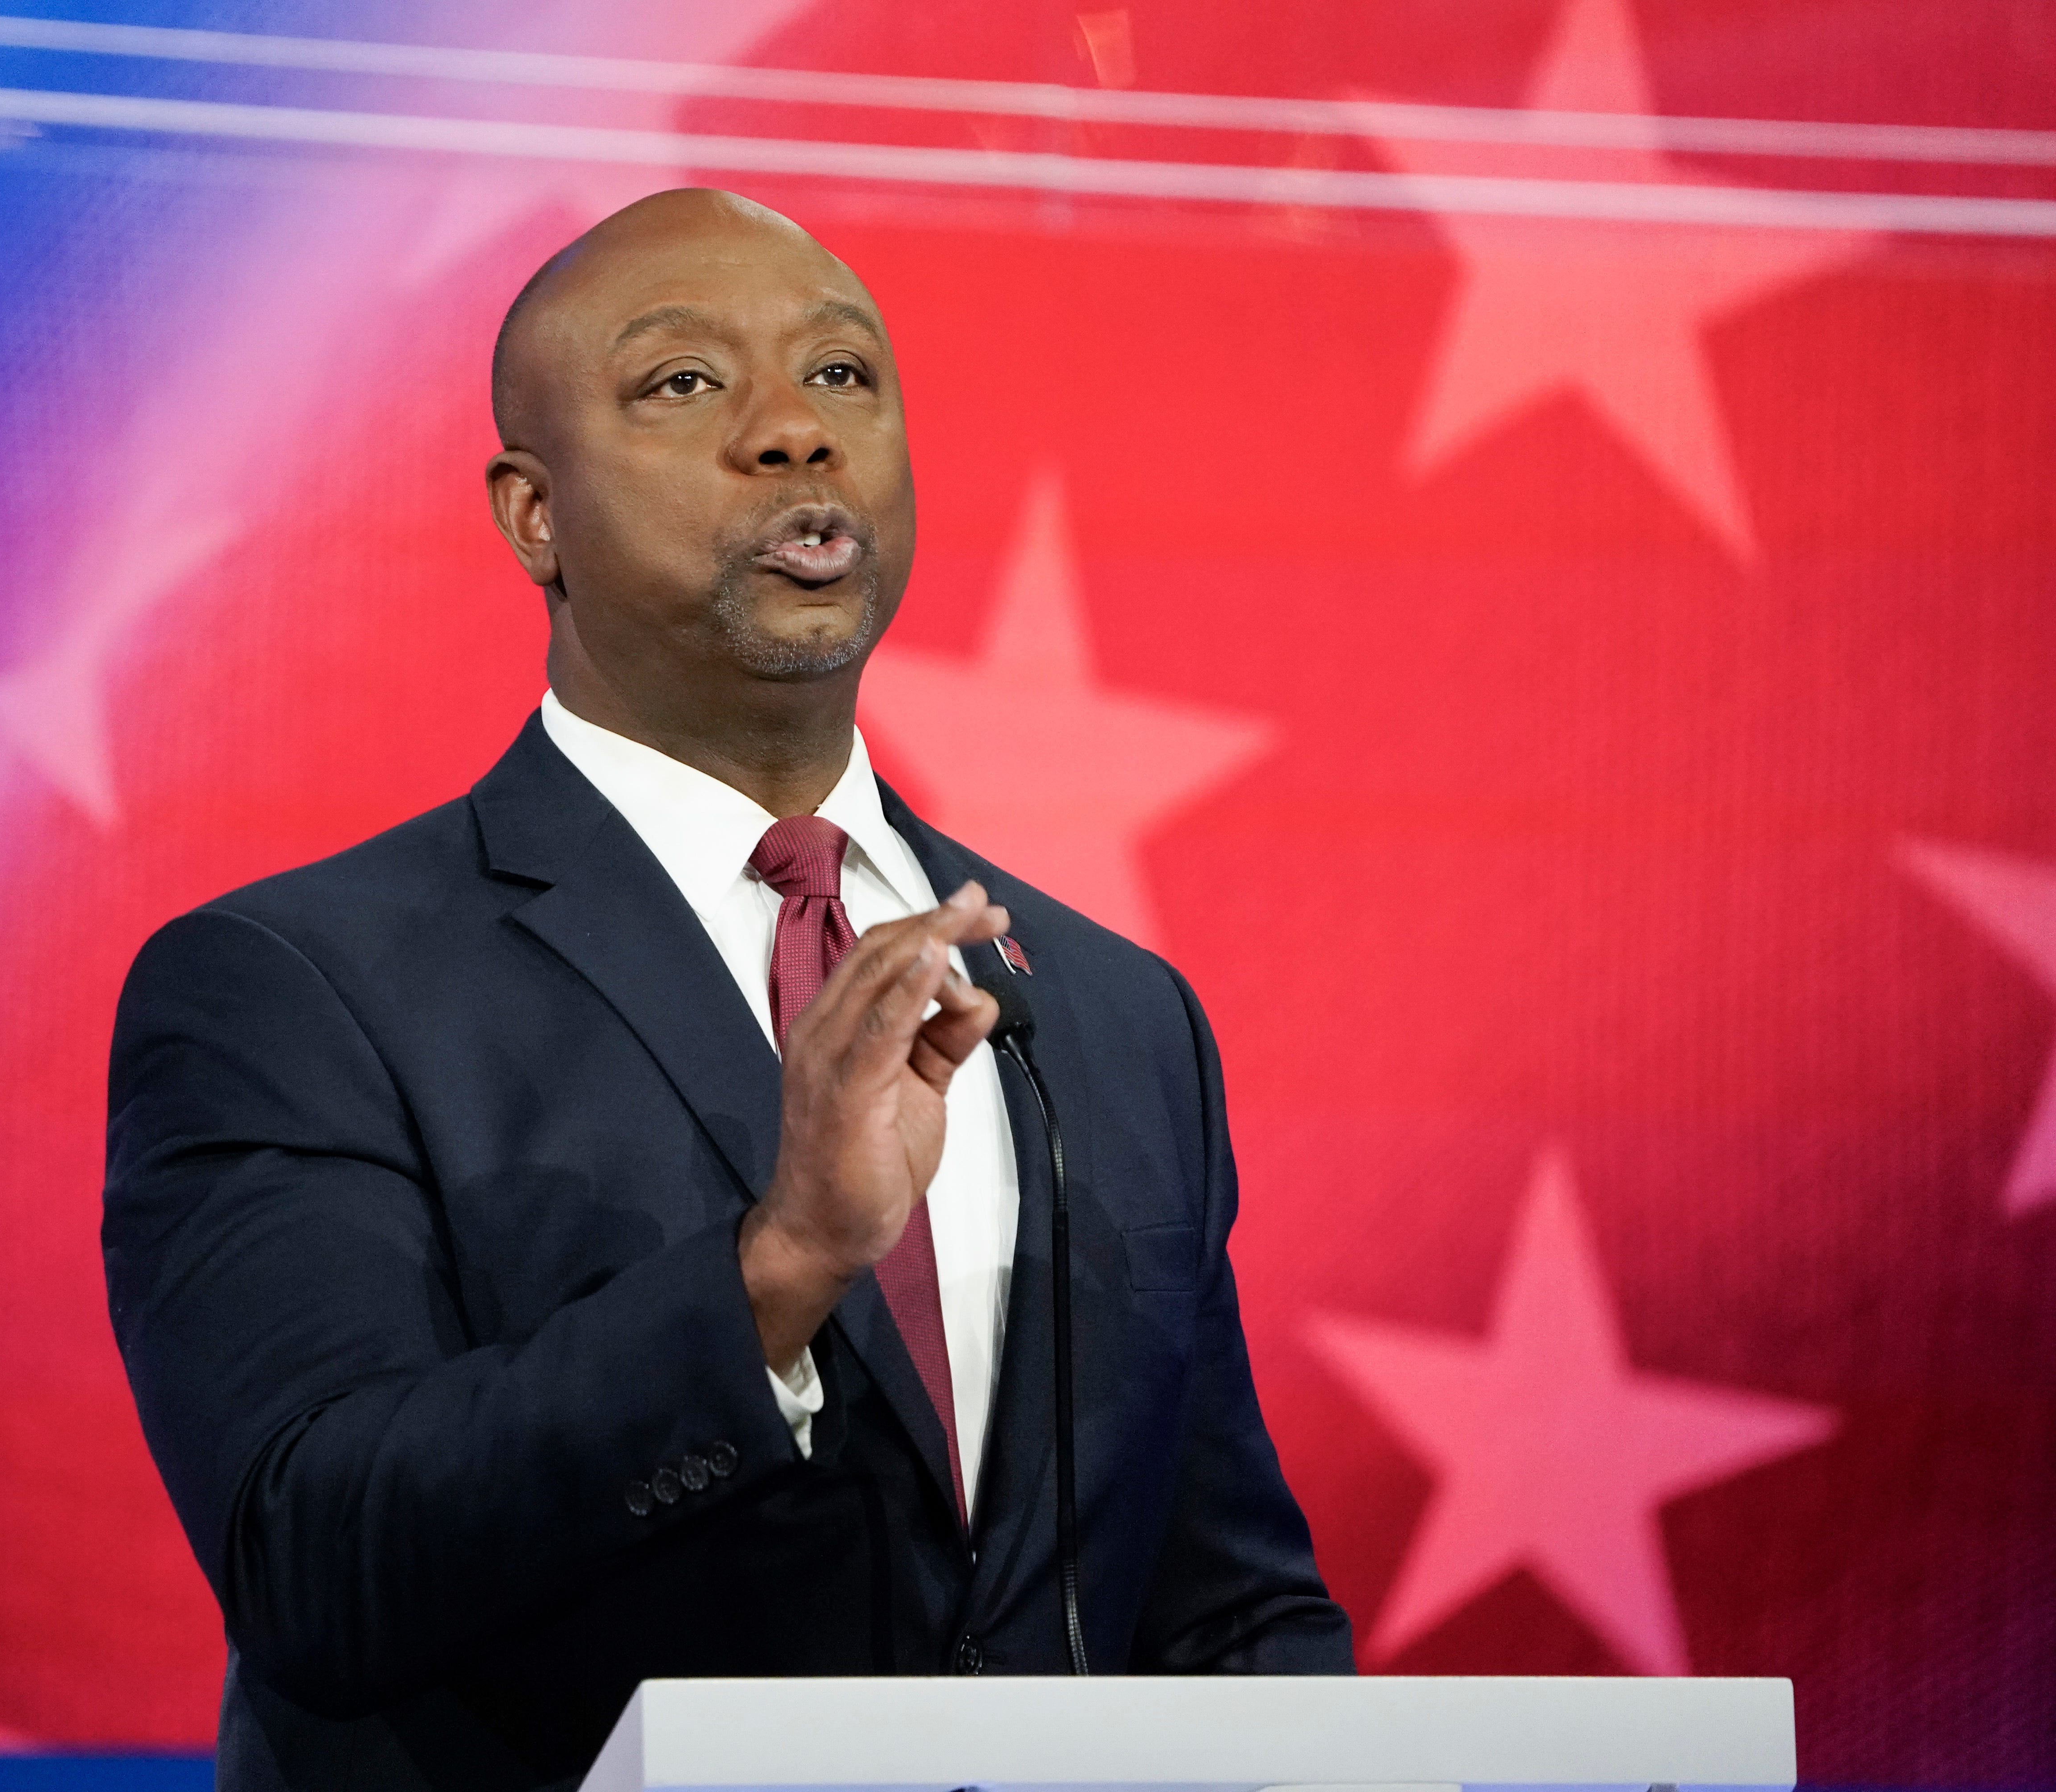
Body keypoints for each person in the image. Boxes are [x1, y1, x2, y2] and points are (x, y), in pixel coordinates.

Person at [103, 187, 1352, 1792]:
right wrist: (781, 1269)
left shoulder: (1114, 1016)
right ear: (531, 514)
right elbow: (318, 1564)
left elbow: (1224, 1614)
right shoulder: (295, 988)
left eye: (843, 377)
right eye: (685, 385)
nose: (792, 436)